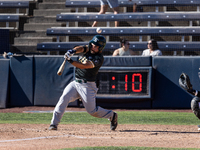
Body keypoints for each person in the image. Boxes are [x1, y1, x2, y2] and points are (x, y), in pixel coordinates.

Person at [49, 35, 118, 131]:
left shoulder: (98, 58)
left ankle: (112, 115)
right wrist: (72, 51)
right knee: (64, 98)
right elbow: (81, 48)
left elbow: (84, 66)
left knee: (92, 111)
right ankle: (54, 124)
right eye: (93, 44)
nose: (93, 46)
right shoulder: (89, 48)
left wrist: (70, 60)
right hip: (76, 83)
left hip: (88, 86)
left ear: (100, 48)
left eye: (96, 46)